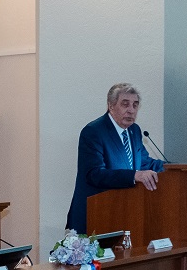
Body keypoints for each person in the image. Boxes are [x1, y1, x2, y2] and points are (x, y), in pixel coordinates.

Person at [67, 83, 165, 234]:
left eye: (135, 105)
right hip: (95, 214)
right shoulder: (93, 131)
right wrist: (134, 175)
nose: (131, 110)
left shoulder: (134, 130)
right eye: (125, 104)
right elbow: (94, 174)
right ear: (111, 106)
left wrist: (178, 168)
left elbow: (145, 163)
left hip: (122, 213)